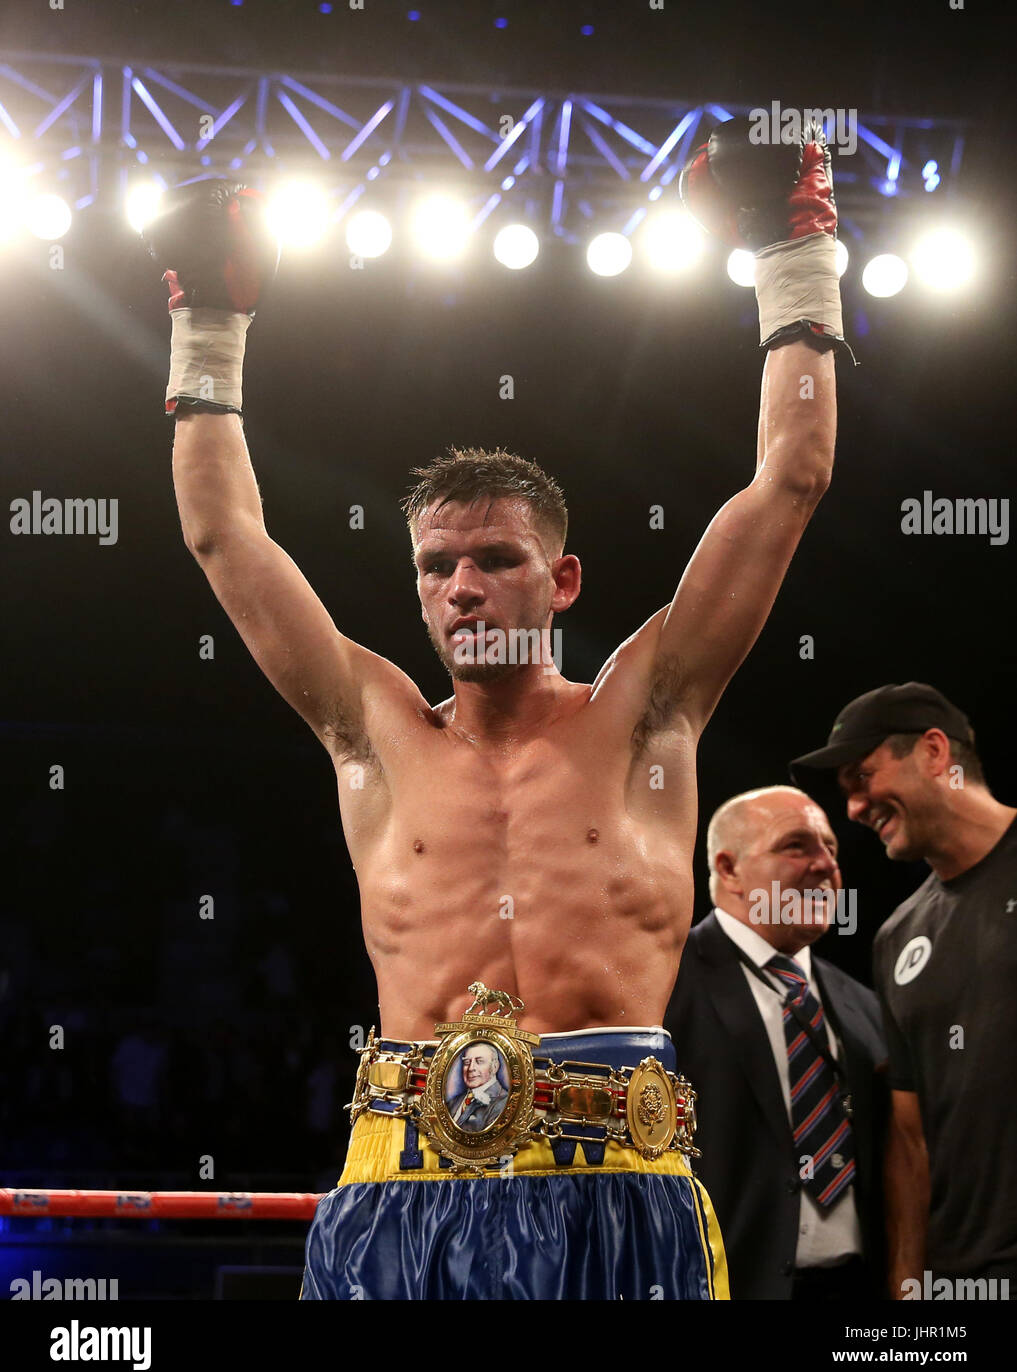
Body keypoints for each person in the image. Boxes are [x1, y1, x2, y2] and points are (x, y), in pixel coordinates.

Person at [144, 115, 848, 1300]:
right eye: (436, 566)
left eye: (495, 558)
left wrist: (798, 251)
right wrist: (207, 328)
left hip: (618, 1183)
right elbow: (224, 536)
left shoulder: (649, 711)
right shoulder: (369, 726)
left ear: (560, 578)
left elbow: (792, 478)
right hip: (408, 1187)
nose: (462, 585)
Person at [790, 682, 1017, 1298]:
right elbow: (910, 1136)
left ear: (935, 752)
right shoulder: (897, 939)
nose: (856, 809)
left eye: (863, 777)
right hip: (962, 1278)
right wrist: (908, 1285)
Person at [666, 787, 888, 1299]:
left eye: (832, 849)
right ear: (729, 868)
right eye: (797, 845)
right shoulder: (663, 987)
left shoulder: (864, 1006)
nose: (825, 865)